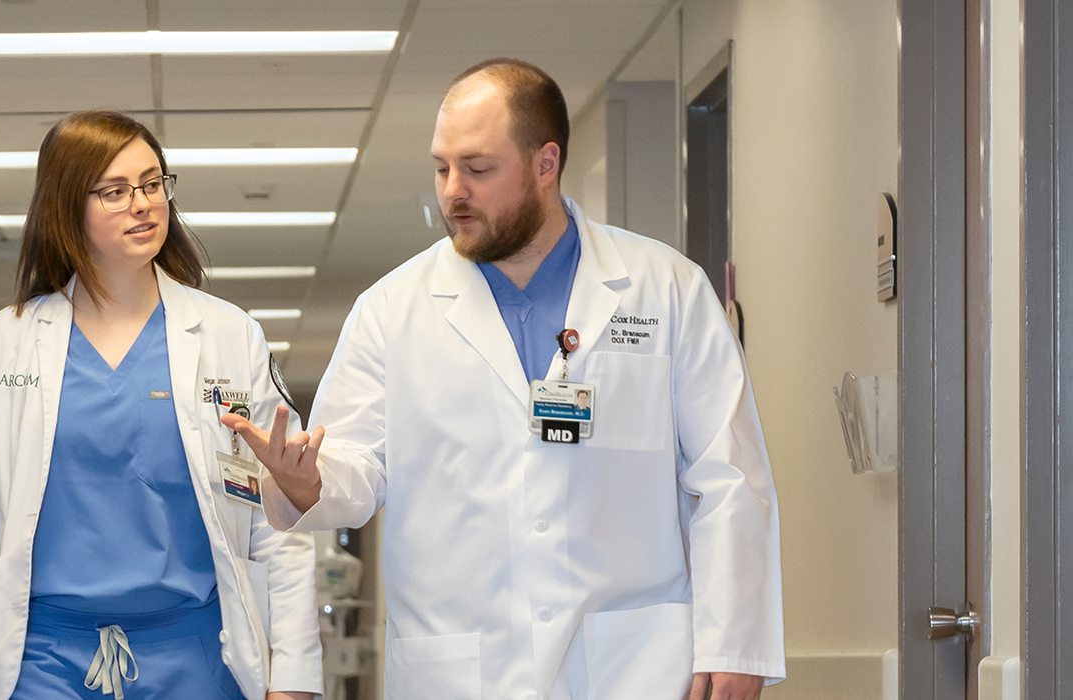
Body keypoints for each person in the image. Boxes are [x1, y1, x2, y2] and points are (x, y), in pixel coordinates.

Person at [224, 58, 785, 700]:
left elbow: (730, 475)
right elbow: (356, 464)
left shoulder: (667, 289)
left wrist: (735, 644)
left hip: (635, 666)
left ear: (545, 165)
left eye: (478, 168)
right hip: (461, 664)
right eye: (442, 168)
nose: (452, 190)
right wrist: (307, 481)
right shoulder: (391, 309)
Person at [0, 110, 322, 700]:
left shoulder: (230, 336)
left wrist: (296, 678)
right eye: (115, 191)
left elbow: (277, 525)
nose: (143, 204)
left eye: (153, 184)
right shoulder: (8, 340)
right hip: (41, 660)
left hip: (195, 656)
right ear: (67, 207)